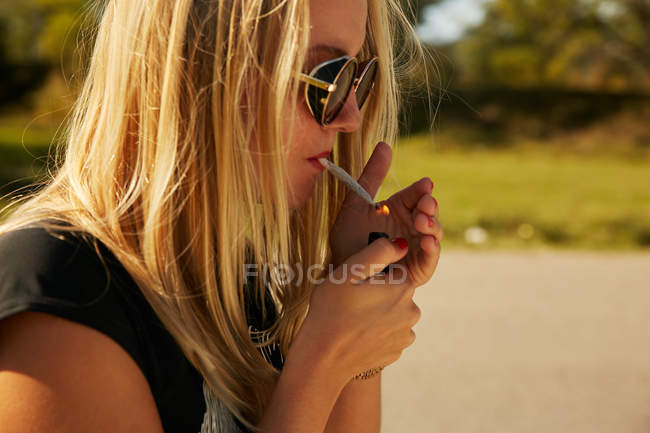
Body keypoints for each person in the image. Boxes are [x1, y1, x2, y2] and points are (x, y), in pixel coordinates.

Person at [0, 0, 443, 432]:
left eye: (356, 75)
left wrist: (357, 317)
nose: (350, 116)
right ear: (200, 70)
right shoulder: (63, 293)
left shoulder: (232, 279)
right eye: (328, 78)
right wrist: (322, 364)